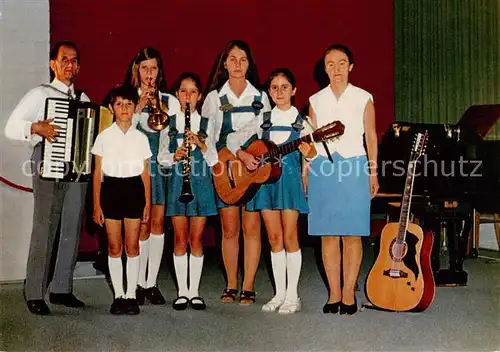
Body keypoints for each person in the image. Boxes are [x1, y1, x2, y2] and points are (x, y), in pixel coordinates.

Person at [4, 41, 89, 315]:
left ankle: (62, 287)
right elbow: (10, 127)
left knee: (71, 226)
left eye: (74, 61)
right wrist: (36, 127)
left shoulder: (83, 100)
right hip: (46, 161)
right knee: (45, 226)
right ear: (53, 63)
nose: (70, 65)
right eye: (64, 59)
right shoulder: (40, 94)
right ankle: (35, 292)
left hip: (76, 166)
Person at [301, 44, 379, 315]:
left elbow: (370, 136)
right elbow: (308, 142)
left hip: (355, 166)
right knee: (328, 233)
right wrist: (306, 171)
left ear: (351, 66)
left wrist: (373, 171)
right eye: (330, 64)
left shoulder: (363, 98)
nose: (336, 69)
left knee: (352, 233)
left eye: (342, 63)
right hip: (323, 168)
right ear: (324, 69)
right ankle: (334, 292)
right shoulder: (315, 100)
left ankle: (349, 292)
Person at [202, 40, 271, 305]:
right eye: (232, 59)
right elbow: (207, 137)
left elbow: (264, 134)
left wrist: (251, 158)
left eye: (243, 59)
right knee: (229, 230)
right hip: (226, 172)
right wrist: (216, 165)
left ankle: (249, 285)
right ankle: (231, 284)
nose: (238, 65)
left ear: (249, 64)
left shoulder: (260, 97)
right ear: (224, 64)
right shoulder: (213, 98)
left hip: (253, 171)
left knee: (251, 229)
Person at [246, 68, 310, 314]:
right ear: (268, 92)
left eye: (285, 87)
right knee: (273, 238)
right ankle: (279, 293)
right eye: (274, 87)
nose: (279, 92)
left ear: (294, 90)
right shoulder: (262, 121)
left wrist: (309, 161)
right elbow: (238, 143)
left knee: (290, 235)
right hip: (265, 183)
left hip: (291, 182)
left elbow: (313, 156)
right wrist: (244, 155)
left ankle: (293, 295)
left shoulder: (302, 123)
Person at [123, 47, 181, 305]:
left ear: (160, 71)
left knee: (157, 223)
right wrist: (139, 107)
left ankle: (151, 282)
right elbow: (122, 133)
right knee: (141, 224)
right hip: (135, 169)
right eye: (144, 67)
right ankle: (135, 282)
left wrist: (164, 109)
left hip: (160, 167)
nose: (149, 73)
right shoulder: (126, 98)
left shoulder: (169, 99)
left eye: (153, 68)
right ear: (137, 70)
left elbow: (176, 132)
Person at [157, 72, 218, 310]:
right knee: (180, 239)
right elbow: (162, 158)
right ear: (177, 95)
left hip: (200, 184)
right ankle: (182, 291)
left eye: (193, 92)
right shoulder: (168, 122)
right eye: (183, 91)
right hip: (176, 184)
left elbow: (213, 160)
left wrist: (202, 144)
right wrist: (175, 155)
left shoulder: (207, 123)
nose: (188, 96)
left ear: (200, 96)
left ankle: (195, 291)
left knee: (197, 239)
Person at [91, 84, 152, 315]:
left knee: (132, 246)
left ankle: (131, 295)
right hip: (111, 191)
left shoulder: (141, 138)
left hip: (134, 189)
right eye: (119, 104)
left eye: (128, 104)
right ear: (111, 108)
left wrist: (147, 202)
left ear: (135, 107)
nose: (124, 108)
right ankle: (118, 295)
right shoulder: (103, 137)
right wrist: (96, 204)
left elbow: (146, 174)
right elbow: (98, 173)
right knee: (114, 247)